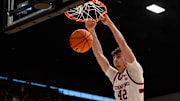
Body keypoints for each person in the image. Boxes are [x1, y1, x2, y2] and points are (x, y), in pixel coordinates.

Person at [85, 15, 144, 101]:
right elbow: (98, 54)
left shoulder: (134, 70)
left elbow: (122, 44)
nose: (115, 59)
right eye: (114, 57)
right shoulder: (115, 76)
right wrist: (91, 31)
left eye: (119, 56)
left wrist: (109, 23)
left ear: (126, 59)